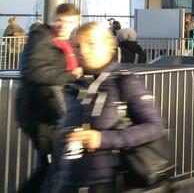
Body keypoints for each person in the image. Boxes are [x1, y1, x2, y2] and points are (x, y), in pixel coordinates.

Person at [54, 22, 165, 192]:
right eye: (77, 45)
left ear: (109, 46)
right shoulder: (74, 87)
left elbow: (154, 126)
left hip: (110, 182)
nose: (83, 51)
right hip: (71, 181)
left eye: (91, 44)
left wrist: (102, 139)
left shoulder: (124, 82)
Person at [15, 3, 83, 193]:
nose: (62, 25)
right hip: (40, 114)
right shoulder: (41, 38)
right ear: (53, 19)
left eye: (69, 21)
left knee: (56, 164)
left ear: (76, 22)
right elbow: (32, 71)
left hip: (57, 112)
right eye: (59, 20)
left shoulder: (70, 43)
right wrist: (70, 75)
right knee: (52, 165)